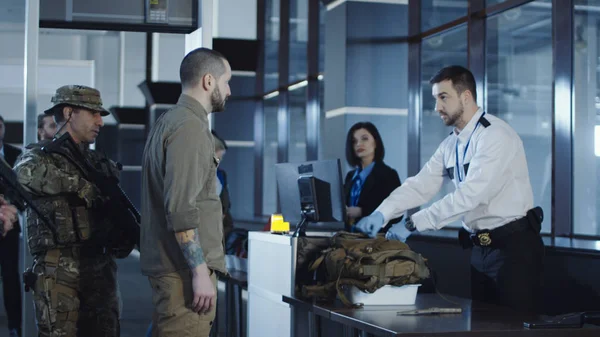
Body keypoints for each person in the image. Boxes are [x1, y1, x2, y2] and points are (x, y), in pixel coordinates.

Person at [355, 65, 544, 314]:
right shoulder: (451, 145)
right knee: (484, 329)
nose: (437, 107)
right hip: (480, 250)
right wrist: (382, 213)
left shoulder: (495, 135)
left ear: (466, 96)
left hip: (514, 251)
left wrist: (412, 224)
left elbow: (469, 196)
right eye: (435, 99)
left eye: (443, 97)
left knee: (513, 329)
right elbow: (421, 184)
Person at [14, 85, 134, 337]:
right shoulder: (40, 155)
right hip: (59, 269)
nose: (100, 121)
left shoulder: (99, 163)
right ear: (69, 113)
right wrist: (80, 186)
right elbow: (25, 175)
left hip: (101, 267)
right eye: (93, 113)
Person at [140, 47, 231, 337]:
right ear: (208, 81)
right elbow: (180, 209)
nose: (228, 91)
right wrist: (200, 271)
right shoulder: (190, 127)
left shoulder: (171, 121)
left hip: (173, 269)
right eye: (226, 81)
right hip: (182, 274)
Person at [343, 122, 402, 229]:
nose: (358, 144)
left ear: (375, 143)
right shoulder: (350, 177)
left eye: (364, 139)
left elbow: (397, 214)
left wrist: (362, 211)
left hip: (375, 240)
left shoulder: (388, 175)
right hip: (349, 238)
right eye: (354, 141)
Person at [0, 114, 23, 337]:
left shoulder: (15, 155)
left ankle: (15, 325)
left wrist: (10, 206)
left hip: (11, 224)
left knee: (10, 276)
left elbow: (23, 189)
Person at [212, 130, 234, 241]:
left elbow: (226, 201)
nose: (218, 162)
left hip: (221, 229)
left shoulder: (220, 175)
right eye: (217, 158)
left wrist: (223, 214)